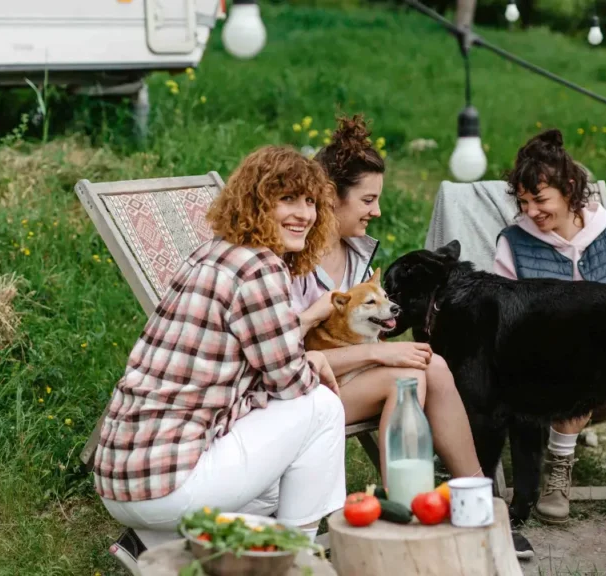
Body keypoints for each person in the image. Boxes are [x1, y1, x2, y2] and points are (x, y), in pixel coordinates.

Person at [94, 146, 346, 552]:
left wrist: (301, 363)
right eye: (287, 199)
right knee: (322, 408)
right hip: (169, 482)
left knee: (279, 454)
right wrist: (311, 362)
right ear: (256, 202)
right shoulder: (260, 269)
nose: (304, 214)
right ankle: (295, 558)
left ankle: (157, 544)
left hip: (117, 481)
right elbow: (292, 385)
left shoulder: (208, 254)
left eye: (311, 201)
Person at [292, 114, 484, 482]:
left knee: (436, 366)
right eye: (368, 200)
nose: (376, 211)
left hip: (347, 380)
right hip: (304, 393)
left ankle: (475, 492)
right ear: (331, 196)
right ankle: (406, 505)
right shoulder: (293, 262)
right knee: (405, 378)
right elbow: (283, 356)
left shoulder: (355, 256)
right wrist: (377, 351)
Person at [494, 128, 606, 526]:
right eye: (523, 201)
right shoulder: (513, 243)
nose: (531, 210)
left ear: (570, 190)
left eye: (540, 200)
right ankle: (558, 469)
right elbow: (504, 316)